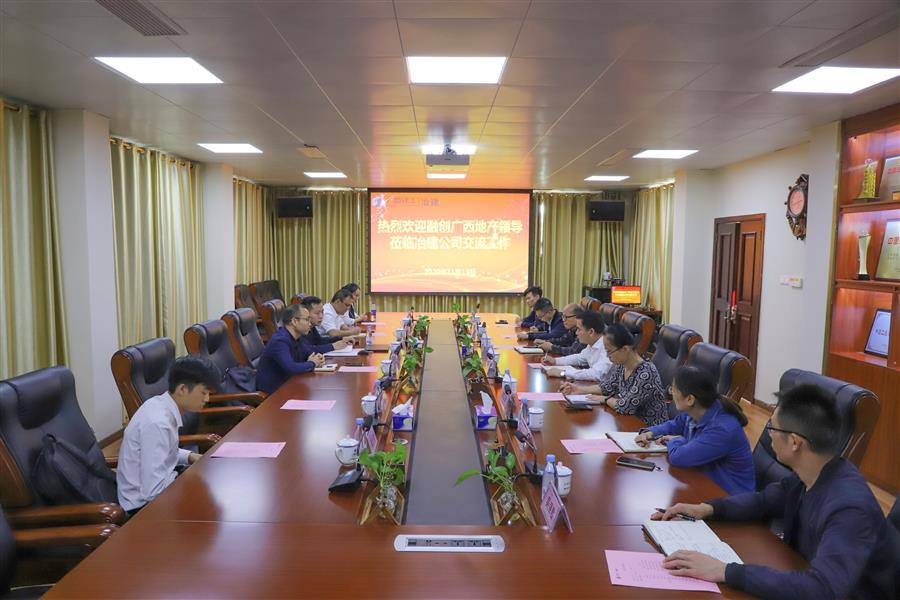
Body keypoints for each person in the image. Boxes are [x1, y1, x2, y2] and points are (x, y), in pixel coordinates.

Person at [655, 384, 897, 599]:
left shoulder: (849, 508)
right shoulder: (810, 474)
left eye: (773, 427)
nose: (768, 434)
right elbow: (763, 501)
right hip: (801, 570)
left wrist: (725, 571)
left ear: (795, 442)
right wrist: (706, 509)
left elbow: (823, 589)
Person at [116, 356, 220, 515]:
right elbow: (153, 491)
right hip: (143, 509)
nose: (207, 399)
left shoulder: (160, 406)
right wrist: (191, 482)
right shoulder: (158, 423)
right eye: (203, 393)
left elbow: (163, 452)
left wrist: (190, 456)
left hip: (161, 489)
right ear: (182, 389)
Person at [634, 365, 755, 494]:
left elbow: (679, 457)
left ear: (690, 399)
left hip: (730, 496)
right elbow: (674, 425)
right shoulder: (698, 410)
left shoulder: (722, 429)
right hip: (703, 480)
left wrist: (679, 440)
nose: (671, 393)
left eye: (673, 389)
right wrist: (650, 432)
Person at [559, 323, 667, 426]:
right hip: (628, 422)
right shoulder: (622, 365)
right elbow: (607, 387)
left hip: (650, 429)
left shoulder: (646, 372)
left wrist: (605, 399)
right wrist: (578, 389)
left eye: (609, 351)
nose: (607, 356)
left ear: (625, 349)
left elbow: (625, 407)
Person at [257, 304, 325, 394]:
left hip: (290, 385)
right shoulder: (279, 341)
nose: (310, 323)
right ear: (294, 321)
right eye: (307, 319)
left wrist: (318, 358)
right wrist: (312, 363)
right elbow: (291, 368)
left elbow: (309, 352)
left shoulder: (298, 337)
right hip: (274, 393)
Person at [542, 310, 611, 381]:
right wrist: (555, 361)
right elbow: (579, 358)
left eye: (579, 329)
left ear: (591, 332)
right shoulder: (593, 343)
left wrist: (563, 373)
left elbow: (596, 374)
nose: (576, 333)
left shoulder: (607, 347)